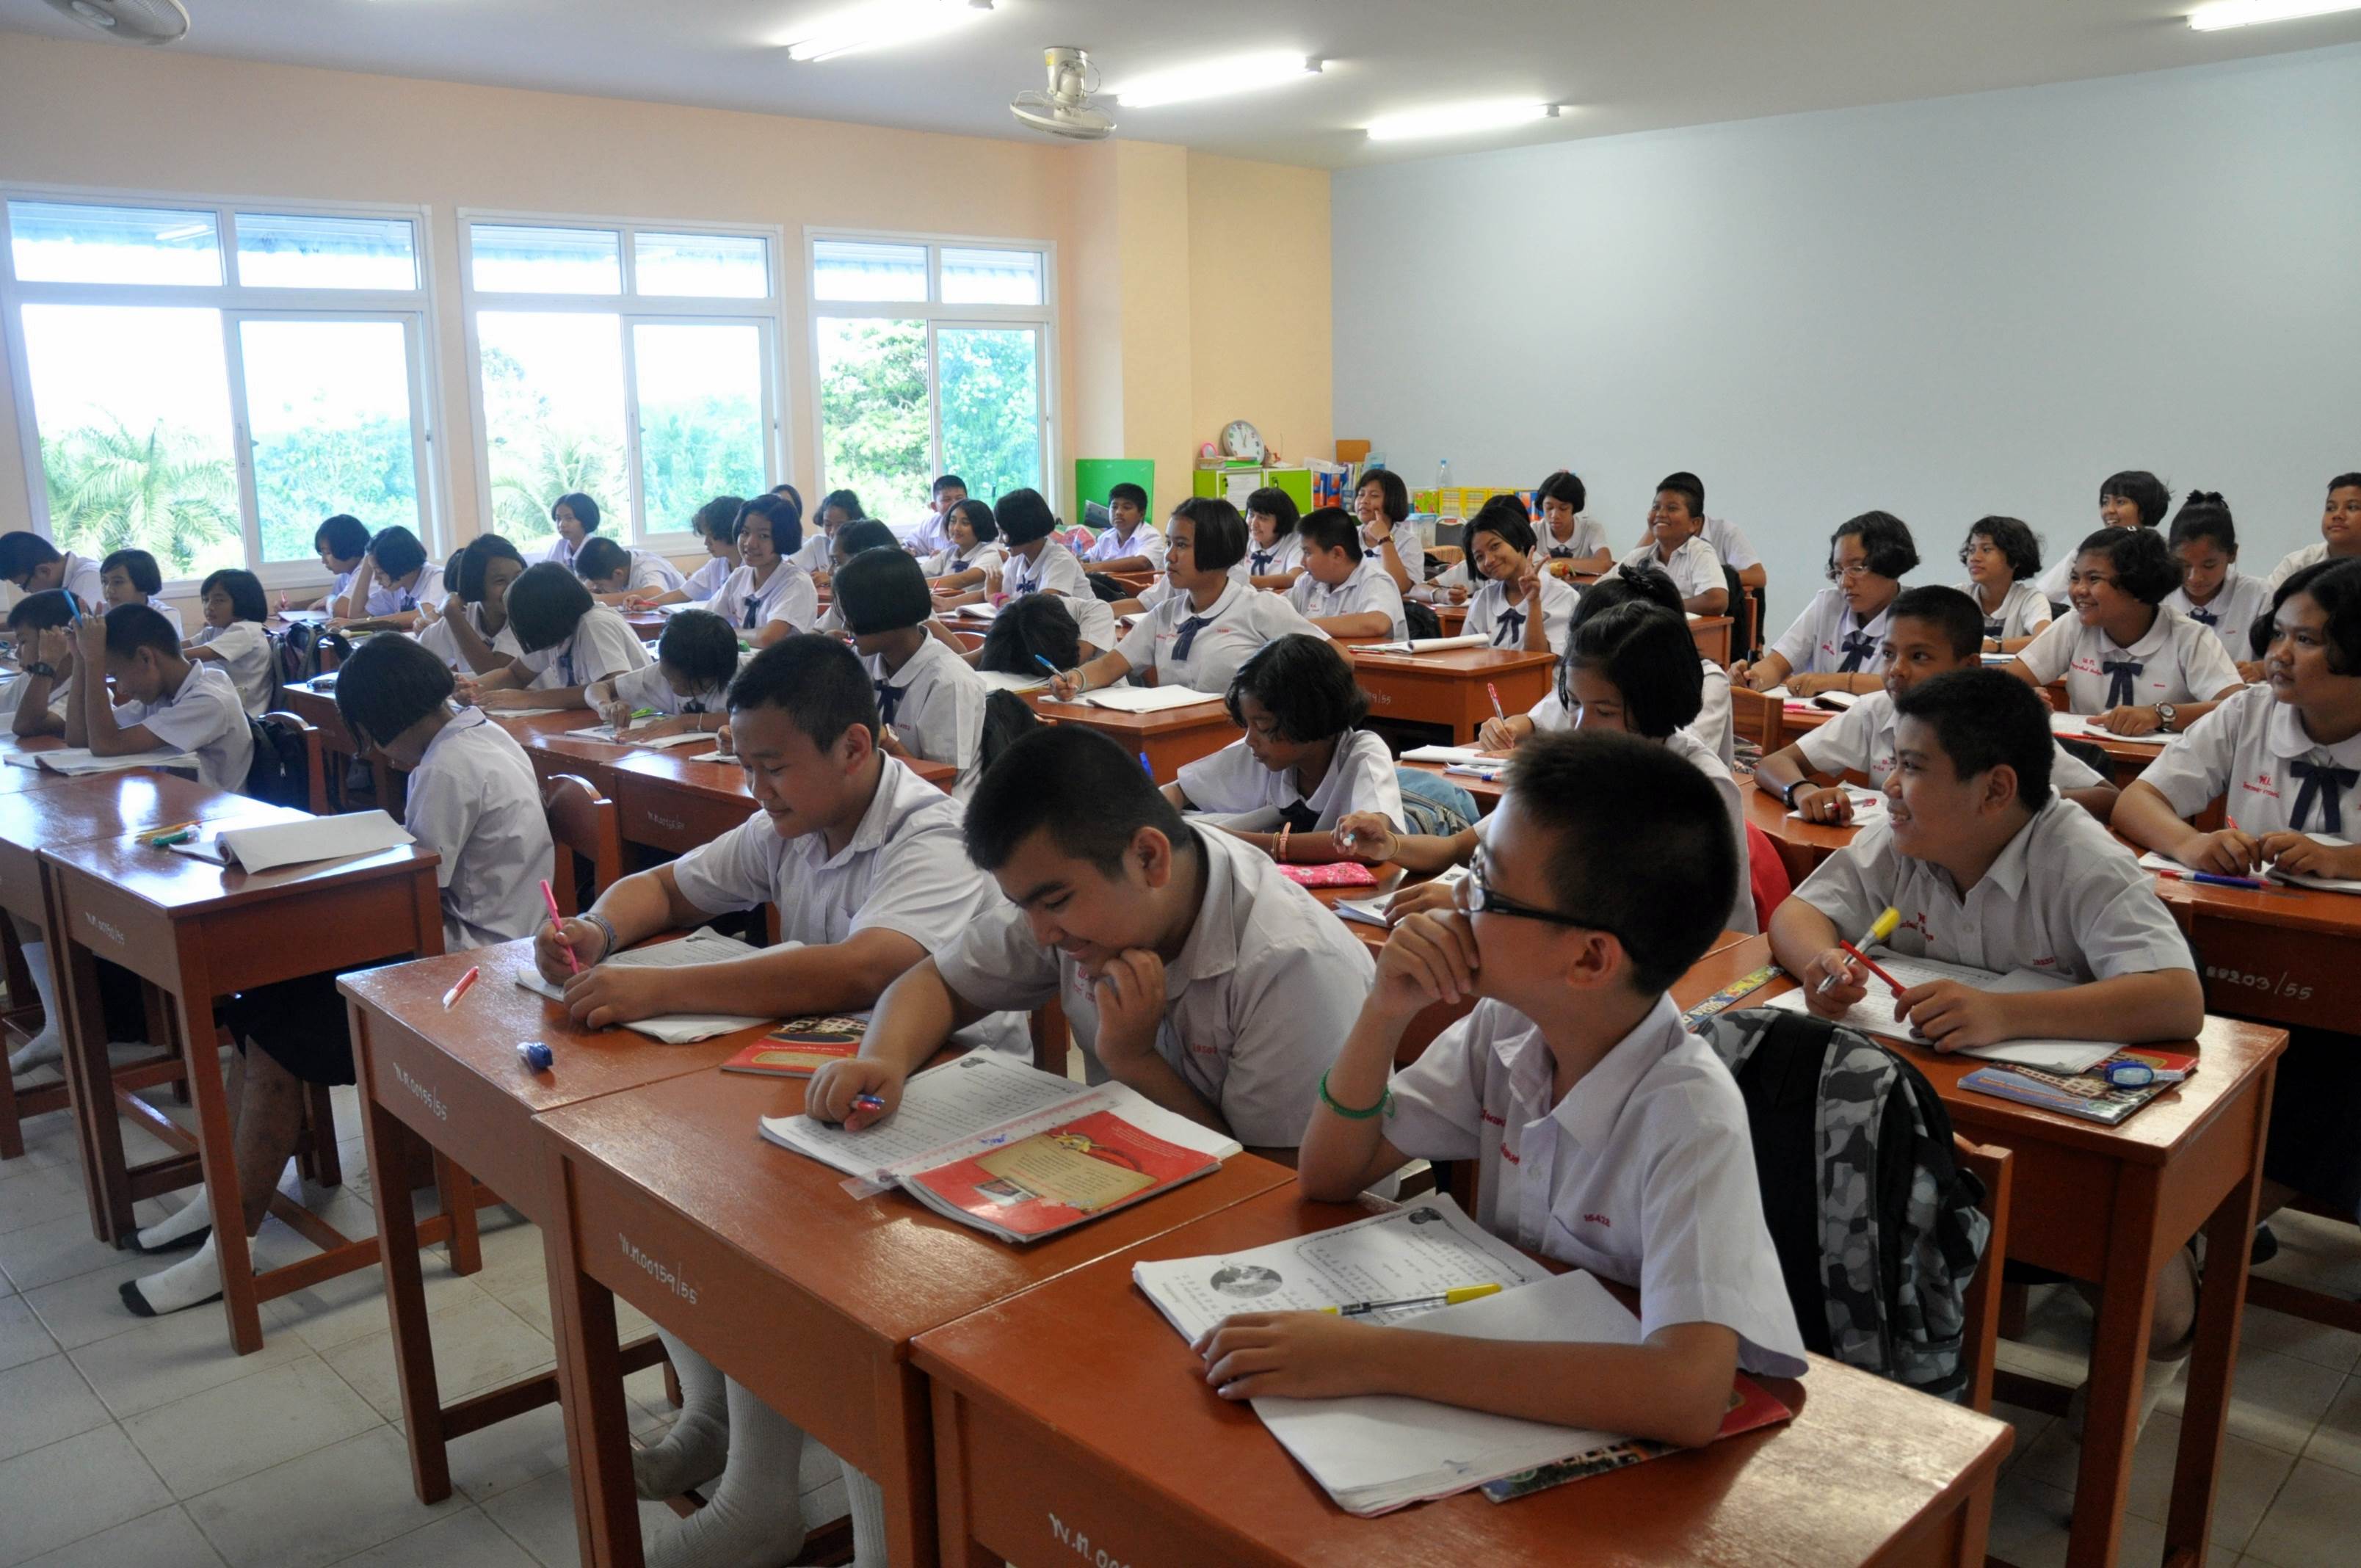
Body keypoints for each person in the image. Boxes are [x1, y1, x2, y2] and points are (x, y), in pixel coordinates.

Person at [542, 636, 1022, 1568]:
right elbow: (668, 886)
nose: (756, 789)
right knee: (669, 1186)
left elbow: (869, 970)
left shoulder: (929, 834)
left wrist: (660, 989)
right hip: (825, 1082)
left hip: (947, 1097)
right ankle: (722, 1433)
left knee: (801, 1258)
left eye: (772, 766)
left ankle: (785, 1505)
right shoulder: (792, 820)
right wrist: (599, 930)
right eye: (746, 764)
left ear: (853, 747)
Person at [1205, 730, 1805, 1445]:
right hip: (1515, 1383)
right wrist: (1384, 1010)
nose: (1455, 900)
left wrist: (1372, 1357)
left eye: (1484, 886)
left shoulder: (1689, 1114)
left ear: (1590, 959)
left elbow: (1687, 1394)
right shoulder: (1507, 1028)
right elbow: (1331, 1174)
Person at [1768, 667, 2204, 1422]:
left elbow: (2176, 997)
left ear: (1997, 789)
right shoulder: (1904, 838)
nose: (1889, 786)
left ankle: (2158, 1331)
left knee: (2161, 1315)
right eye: (1893, 763)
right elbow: (1797, 915)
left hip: (2051, 1121)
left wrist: (2005, 1014)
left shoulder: (2080, 857)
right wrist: (1822, 963)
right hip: (1933, 1107)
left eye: (1912, 767)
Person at [124, 634, 553, 1316]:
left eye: (372, 737)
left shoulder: (448, 767)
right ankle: (224, 1198)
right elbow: (419, 874)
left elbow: (413, 891)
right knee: (259, 1002)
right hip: (460, 940)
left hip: (469, 967)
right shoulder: (477, 736)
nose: (376, 753)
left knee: (278, 1027)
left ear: (389, 720)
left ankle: (232, 1241)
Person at [809, 719, 1376, 1163]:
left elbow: (1277, 1185)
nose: (1041, 933)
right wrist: (883, 1058)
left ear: (1148, 857)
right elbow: (939, 982)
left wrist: (1133, 1060)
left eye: (1054, 902)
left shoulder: (1291, 963)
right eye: (1023, 907)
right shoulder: (1067, 898)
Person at [2113, 559, 2361, 1227]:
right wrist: (2191, 845)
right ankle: (2187, 1213)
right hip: (2245, 941)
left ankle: (2218, 1223)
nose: (2278, 655)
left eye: (2306, 641)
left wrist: (2343, 859)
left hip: (2343, 973)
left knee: (2335, 1074)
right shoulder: (2250, 711)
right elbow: (2138, 800)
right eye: (2277, 633)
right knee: (2177, 1026)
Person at [1348, 601, 1756, 937]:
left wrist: (1482, 902)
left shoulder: (1699, 788)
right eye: (1574, 704)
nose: (1581, 727)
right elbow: (1460, 847)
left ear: (1656, 707)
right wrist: (1391, 845)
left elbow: (1647, 920)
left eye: (1605, 711)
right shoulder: (1578, 765)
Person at [1755, 585, 2118, 824]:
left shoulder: (2003, 725)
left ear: (1968, 667)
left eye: (1919, 657)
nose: (1897, 670)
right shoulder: (1878, 710)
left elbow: (2107, 799)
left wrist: (2015, 803)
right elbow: (1773, 763)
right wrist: (1802, 791)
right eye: (1888, 654)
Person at [1052, 498, 1327, 699]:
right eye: (1169, 543)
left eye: (1182, 545)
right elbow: (1110, 665)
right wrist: (1075, 679)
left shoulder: (1261, 609)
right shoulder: (1165, 614)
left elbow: (1333, 660)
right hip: (1175, 731)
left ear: (1216, 549)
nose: (1169, 556)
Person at [1163, 634, 1402, 863]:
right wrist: (1160, 821)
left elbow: (1368, 844)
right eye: (1247, 725)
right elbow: (1178, 790)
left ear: (1307, 715)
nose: (1250, 739)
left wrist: (1230, 841)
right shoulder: (1262, 753)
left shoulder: (1364, 754)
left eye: (1262, 726)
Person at [1476, 565, 1733, 768]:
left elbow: (1676, 752)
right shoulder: (1591, 682)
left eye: (1605, 712)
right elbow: (1540, 719)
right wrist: (1507, 730)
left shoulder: (1704, 682)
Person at [2009, 526, 2244, 735]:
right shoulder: (2074, 625)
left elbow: (2239, 708)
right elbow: (2001, 682)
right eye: (2074, 578)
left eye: (2094, 579)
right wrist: (2019, 695)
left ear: (2138, 586)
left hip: (2167, 763)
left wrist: (2159, 715)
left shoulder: (2189, 637)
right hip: (2086, 756)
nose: (2079, 590)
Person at [835, 545, 989, 794]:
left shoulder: (949, 681)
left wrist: (886, 740)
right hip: (879, 792)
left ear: (888, 612)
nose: (846, 625)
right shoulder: (863, 660)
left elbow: (940, 783)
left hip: (936, 808)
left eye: (854, 615)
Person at [66, 605, 252, 791]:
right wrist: (80, 659)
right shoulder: (162, 693)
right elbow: (79, 739)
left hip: (218, 808)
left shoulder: (209, 699)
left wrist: (94, 660)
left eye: (116, 675)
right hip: (177, 800)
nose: (120, 688)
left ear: (146, 658)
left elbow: (105, 744)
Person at [1736, 511, 1918, 695]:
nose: (1845, 583)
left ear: (1890, 565)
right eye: (1838, 571)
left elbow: (1914, 684)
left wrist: (1834, 681)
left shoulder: (1918, 614)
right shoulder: (1828, 604)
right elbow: (1777, 664)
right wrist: (1753, 677)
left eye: (1857, 569)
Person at [463, 562, 650, 710]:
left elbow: (613, 689)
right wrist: (470, 688)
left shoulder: (594, 624)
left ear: (545, 616)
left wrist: (529, 699)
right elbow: (515, 675)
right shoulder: (557, 630)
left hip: (642, 719)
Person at [967, 487, 1117, 655]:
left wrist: (996, 598)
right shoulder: (1018, 558)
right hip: (1040, 643)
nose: (1001, 541)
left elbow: (1038, 612)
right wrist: (949, 603)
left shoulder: (1060, 559)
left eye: (1005, 533)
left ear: (1025, 529)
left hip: (1077, 647)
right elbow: (992, 589)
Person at [2161, 493, 2271, 680]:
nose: (2195, 577)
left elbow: (2287, 656)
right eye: (2184, 565)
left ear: (2232, 554)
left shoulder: (2260, 596)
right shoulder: (2158, 596)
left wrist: (2260, 669)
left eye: (2209, 565)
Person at [587, 607, 737, 742]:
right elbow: (598, 688)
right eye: (669, 677)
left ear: (720, 673)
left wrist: (685, 722)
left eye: (688, 685)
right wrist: (604, 706)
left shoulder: (744, 676)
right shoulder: (660, 672)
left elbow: (750, 719)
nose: (675, 687)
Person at [1459, 494, 1578, 654]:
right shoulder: (1482, 599)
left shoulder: (1562, 596)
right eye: (1479, 557)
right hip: (1490, 673)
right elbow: (1466, 658)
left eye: (1495, 546)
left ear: (1519, 540)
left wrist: (1533, 603)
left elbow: (1539, 662)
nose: (1488, 561)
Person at [2033, 471, 2170, 601]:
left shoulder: (2162, 552)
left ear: (2145, 508)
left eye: (2120, 502)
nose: (2109, 510)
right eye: (2105, 503)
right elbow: (2042, 596)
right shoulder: (2090, 549)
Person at [704, 494, 818, 649]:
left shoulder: (796, 583)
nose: (750, 543)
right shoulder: (739, 576)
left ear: (783, 538)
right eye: (745, 532)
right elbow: (706, 622)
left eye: (764, 536)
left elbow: (768, 639)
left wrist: (724, 632)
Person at [1611, 472, 1727, 615]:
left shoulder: (1699, 551)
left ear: (1694, 524)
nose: (1660, 514)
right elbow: (1599, 590)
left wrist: (1657, 607)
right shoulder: (1639, 556)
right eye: (1656, 507)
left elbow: (1717, 601)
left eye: (1672, 508)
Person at [415, 534, 529, 676]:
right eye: (500, 581)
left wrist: (453, 613)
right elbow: (418, 657)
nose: (513, 588)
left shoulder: (527, 616)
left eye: (518, 578)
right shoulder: (466, 614)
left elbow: (493, 672)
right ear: (476, 586)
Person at [1288, 504, 1407, 640]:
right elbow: (1282, 613)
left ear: (1337, 554)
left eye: (1308, 553)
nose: (1302, 562)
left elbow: (1377, 623)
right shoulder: (1308, 581)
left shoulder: (1375, 580)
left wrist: (1302, 625)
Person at [183, 567, 275, 714]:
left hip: (245, 716)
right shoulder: (217, 630)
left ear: (243, 601)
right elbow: (177, 647)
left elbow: (191, 654)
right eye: (206, 600)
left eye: (219, 600)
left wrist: (156, 655)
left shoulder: (246, 631)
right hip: (222, 703)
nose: (209, 607)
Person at [1958, 515, 2053, 653]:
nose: (1974, 558)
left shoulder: (2029, 599)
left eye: (1986, 550)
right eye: (1971, 550)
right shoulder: (1958, 596)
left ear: (2015, 558)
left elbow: (2046, 640)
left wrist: (1993, 645)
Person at [631, 496, 744, 609]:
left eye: (711, 536)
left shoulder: (750, 569)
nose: (706, 543)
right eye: (705, 536)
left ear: (727, 532)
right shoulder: (716, 565)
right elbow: (683, 593)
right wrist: (646, 603)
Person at [2267, 472, 2361, 590]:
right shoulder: (2298, 565)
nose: (2337, 515)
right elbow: (2268, 600)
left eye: (2352, 507)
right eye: (2330, 508)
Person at [6, 590, 81, 740]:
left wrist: (47, 663)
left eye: (23, 641)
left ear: (59, 638)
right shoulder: (30, 678)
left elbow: (26, 724)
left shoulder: (85, 694)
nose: (17, 653)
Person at [339, 524, 443, 631]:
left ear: (398, 565)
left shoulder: (437, 576)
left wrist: (361, 623)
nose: (376, 578)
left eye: (380, 572)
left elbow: (425, 614)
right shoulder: (397, 587)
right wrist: (368, 561)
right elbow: (356, 614)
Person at [1352, 468, 1425, 594]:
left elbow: (1400, 587)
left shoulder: (1408, 542)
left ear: (1392, 501)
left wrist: (1384, 538)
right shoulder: (1347, 536)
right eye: (1361, 494)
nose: (1364, 501)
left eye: (1374, 495)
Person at [1530, 469, 1611, 573]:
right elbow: (1525, 566)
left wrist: (1555, 562)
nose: (1555, 515)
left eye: (1563, 509)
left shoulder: (1591, 529)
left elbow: (1604, 564)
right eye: (1549, 508)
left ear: (1574, 508)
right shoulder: (1534, 530)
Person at [0, 533, 104, 613]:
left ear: (44, 571)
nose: (28, 592)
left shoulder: (89, 578)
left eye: (24, 586)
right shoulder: (62, 584)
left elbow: (75, 629)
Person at [922, 497, 1005, 594]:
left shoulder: (990, 552)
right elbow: (919, 572)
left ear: (981, 526)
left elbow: (963, 580)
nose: (956, 528)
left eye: (965, 523)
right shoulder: (949, 553)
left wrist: (916, 584)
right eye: (953, 521)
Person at [1080, 482, 1164, 573]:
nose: (1118, 512)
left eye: (1127, 507)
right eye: (1114, 507)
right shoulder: (1106, 537)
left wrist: (1096, 567)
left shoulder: (1150, 535)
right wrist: (1080, 561)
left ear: (1141, 514)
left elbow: (1142, 562)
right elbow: (1089, 557)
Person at [575, 535, 686, 603]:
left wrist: (600, 599)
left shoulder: (647, 567)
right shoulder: (620, 562)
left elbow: (656, 593)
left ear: (618, 574)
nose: (598, 588)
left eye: (600, 584)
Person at [99, 548, 181, 636]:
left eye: (118, 582)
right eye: (104, 581)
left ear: (143, 583)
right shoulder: (99, 614)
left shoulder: (164, 616)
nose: (108, 590)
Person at [1243, 486, 1308, 589]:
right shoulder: (1244, 537)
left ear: (1281, 521)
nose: (1254, 524)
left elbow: (1294, 578)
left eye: (1262, 518)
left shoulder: (1295, 541)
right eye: (1251, 515)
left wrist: (1244, 581)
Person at [793, 487, 864, 576]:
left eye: (840, 525)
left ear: (853, 522)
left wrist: (830, 578)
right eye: (828, 524)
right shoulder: (818, 543)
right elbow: (788, 568)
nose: (832, 532)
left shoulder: (863, 547)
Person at [311, 513, 372, 614]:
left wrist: (329, 599)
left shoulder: (367, 569)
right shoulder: (347, 572)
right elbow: (333, 598)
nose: (323, 561)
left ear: (346, 548)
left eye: (328, 553)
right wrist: (294, 606)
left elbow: (341, 610)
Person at [904, 473, 969, 559]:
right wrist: (907, 550)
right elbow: (909, 545)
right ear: (934, 506)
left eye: (959, 498)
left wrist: (945, 558)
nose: (955, 504)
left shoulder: (976, 522)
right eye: (947, 500)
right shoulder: (931, 523)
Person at [542, 491, 601, 570]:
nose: (561, 525)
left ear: (585, 520)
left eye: (569, 518)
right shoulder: (559, 546)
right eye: (558, 519)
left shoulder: (597, 549)